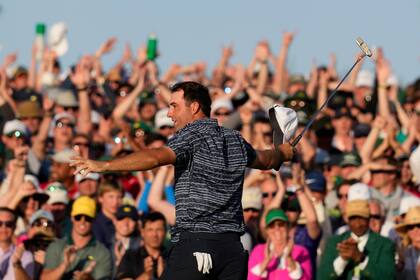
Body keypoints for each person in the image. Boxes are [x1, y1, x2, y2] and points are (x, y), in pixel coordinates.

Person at [71, 81, 294, 280]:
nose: (169, 113)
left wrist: (104, 165)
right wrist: (283, 152)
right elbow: (266, 160)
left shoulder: (190, 135)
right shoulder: (235, 139)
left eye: (174, 106)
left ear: (194, 107)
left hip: (196, 246)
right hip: (232, 253)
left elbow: (156, 156)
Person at [318, 199, 396, 279]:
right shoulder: (335, 242)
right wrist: (342, 259)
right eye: (353, 218)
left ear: (368, 219)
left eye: (362, 218)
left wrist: (362, 259)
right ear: (347, 220)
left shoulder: (384, 244)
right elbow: (321, 277)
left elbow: (389, 277)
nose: (358, 224)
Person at [40, 196, 112, 280]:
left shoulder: (102, 252)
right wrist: (64, 265)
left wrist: (88, 279)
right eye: (78, 217)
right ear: (72, 218)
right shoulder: (56, 246)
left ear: (94, 220)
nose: (82, 221)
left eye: (87, 218)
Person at [248, 208, 312, 280]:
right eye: (272, 225)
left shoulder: (301, 251)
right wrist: (266, 261)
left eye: (281, 224)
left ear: (288, 227)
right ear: (267, 230)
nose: (277, 228)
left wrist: (290, 260)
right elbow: (250, 278)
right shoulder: (258, 250)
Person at [116, 212, 166, 280]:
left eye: (159, 230)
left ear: (165, 232)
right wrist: (146, 275)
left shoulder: (174, 257)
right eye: (150, 230)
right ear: (142, 232)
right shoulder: (130, 257)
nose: (154, 235)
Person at [0, 207, 35, 280]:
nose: (3, 227)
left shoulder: (25, 255)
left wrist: (17, 264)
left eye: (8, 224)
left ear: (14, 227)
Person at [395, 206, 420, 280]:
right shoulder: (402, 254)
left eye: (419, 225)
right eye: (411, 227)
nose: (416, 230)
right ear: (407, 231)